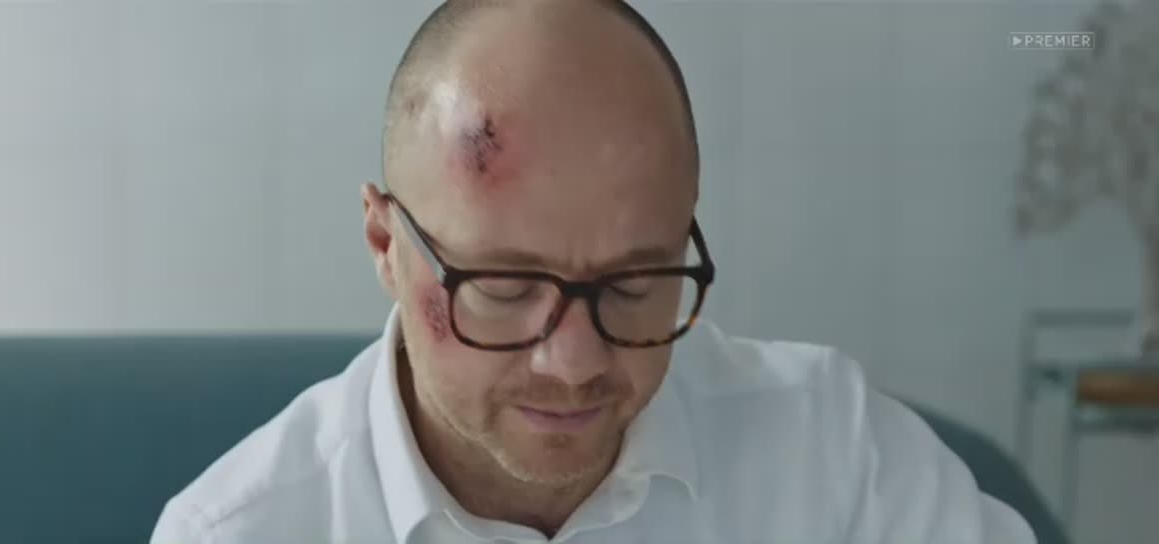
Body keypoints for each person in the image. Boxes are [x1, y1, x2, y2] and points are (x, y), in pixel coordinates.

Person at [151, 1, 1035, 542]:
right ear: (386, 243)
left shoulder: (834, 456)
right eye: (503, 287)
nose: (574, 363)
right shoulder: (242, 531)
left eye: (632, 284)